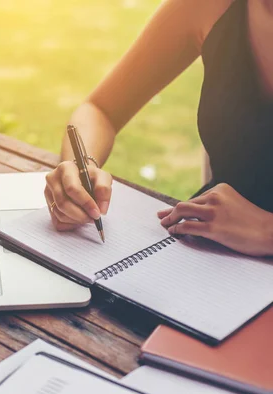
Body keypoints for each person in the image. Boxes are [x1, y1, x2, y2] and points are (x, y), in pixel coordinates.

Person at [44, 0, 273, 257]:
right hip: (207, 256)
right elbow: (99, 110)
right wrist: (80, 167)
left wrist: (267, 231)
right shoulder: (210, 6)